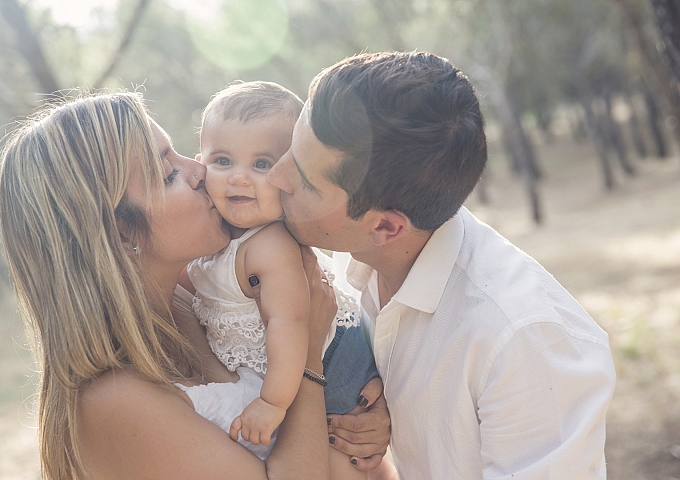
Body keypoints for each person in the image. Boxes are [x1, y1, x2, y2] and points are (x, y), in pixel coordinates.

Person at [267, 51, 617, 478]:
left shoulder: (522, 340)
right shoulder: (345, 256)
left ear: (387, 227)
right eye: (290, 150)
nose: (276, 177)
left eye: (304, 180)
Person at [0, 92, 337, 479]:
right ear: (122, 233)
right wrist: (309, 358)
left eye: (177, 152)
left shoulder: (200, 296)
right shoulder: (113, 399)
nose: (199, 171)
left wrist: (360, 410)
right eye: (168, 174)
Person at [181, 81, 382, 476]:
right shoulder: (215, 240)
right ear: (199, 161)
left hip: (334, 363)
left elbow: (290, 323)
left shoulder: (269, 245)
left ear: (287, 173)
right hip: (286, 372)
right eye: (222, 161)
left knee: (343, 458)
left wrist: (272, 403)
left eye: (260, 165)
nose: (239, 178)